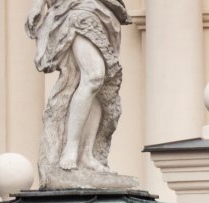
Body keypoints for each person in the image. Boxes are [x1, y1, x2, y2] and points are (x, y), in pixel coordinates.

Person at [25, 0, 131, 176]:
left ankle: (86, 154)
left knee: (99, 85)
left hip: (105, 10)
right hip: (75, 9)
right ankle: (71, 148)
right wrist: (38, 4)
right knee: (94, 75)